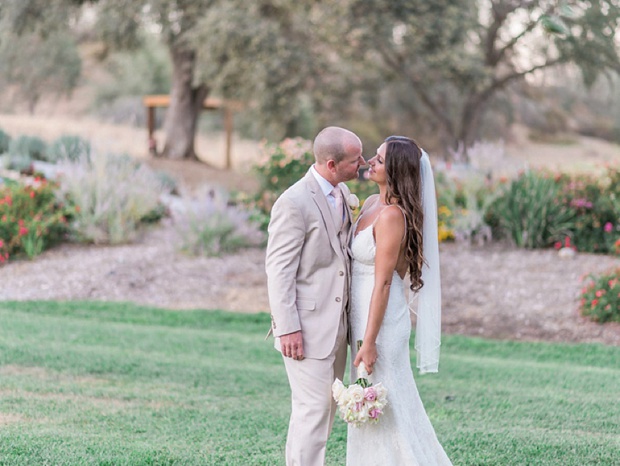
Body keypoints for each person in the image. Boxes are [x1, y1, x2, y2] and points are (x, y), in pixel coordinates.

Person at [347, 136, 452, 465]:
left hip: (380, 322)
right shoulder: (368, 205)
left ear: (396, 170)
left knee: (386, 407)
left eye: (379, 159)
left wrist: (370, 340)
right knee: (371, 404)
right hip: (362, 318)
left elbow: (382, 284)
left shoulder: (392, 216)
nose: (370, 162)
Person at [265, 126, 365, 466]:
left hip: (337, 326)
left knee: (323, 411)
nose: (363, 163)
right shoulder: (293, 202)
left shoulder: (343, 192)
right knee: (313, 412)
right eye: (356, 159)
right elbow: (278, 271)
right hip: (305, 329)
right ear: (332, 164)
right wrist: (288, 327)